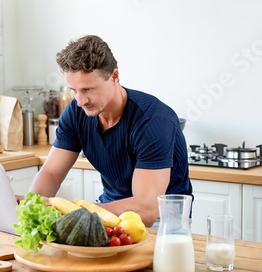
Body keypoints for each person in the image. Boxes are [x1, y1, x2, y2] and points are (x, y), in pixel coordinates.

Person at [28, 35, 192, 227]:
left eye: (88, 89)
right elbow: (51, 174)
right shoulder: (76, 112)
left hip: (164, 220)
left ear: (114, 77)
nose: (80, 101)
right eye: (73, 90)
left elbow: (147, 208)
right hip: (108, 208)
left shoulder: (152, 120)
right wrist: (31, 208)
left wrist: (74, 211)